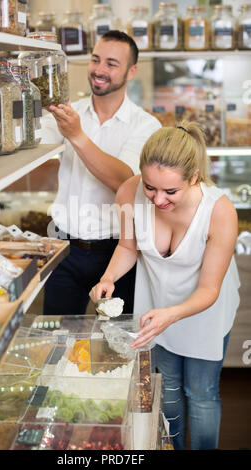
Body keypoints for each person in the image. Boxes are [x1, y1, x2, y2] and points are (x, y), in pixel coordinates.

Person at [89, 120, 240, 450]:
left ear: (194, 177)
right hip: (156, 305)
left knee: (200, 393)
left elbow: (209, 291)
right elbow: (128, 248)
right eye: (150, 187)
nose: (157, 200)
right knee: (167, 387)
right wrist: (108, 278)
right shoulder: (129, 192)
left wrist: (172, 315)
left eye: (171, 191)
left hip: (204, 309)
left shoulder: (219, 211)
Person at [40, 30, 161, 315]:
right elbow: (31, 142)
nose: (99, 70)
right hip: (63, 249)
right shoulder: (71, 113)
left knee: (116, 342)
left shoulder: (146, 126)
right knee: (58, 338)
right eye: (95, 60)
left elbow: (124, 181)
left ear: (131, 72)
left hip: (118, 252)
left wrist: (77, 135)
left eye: (111, 63)